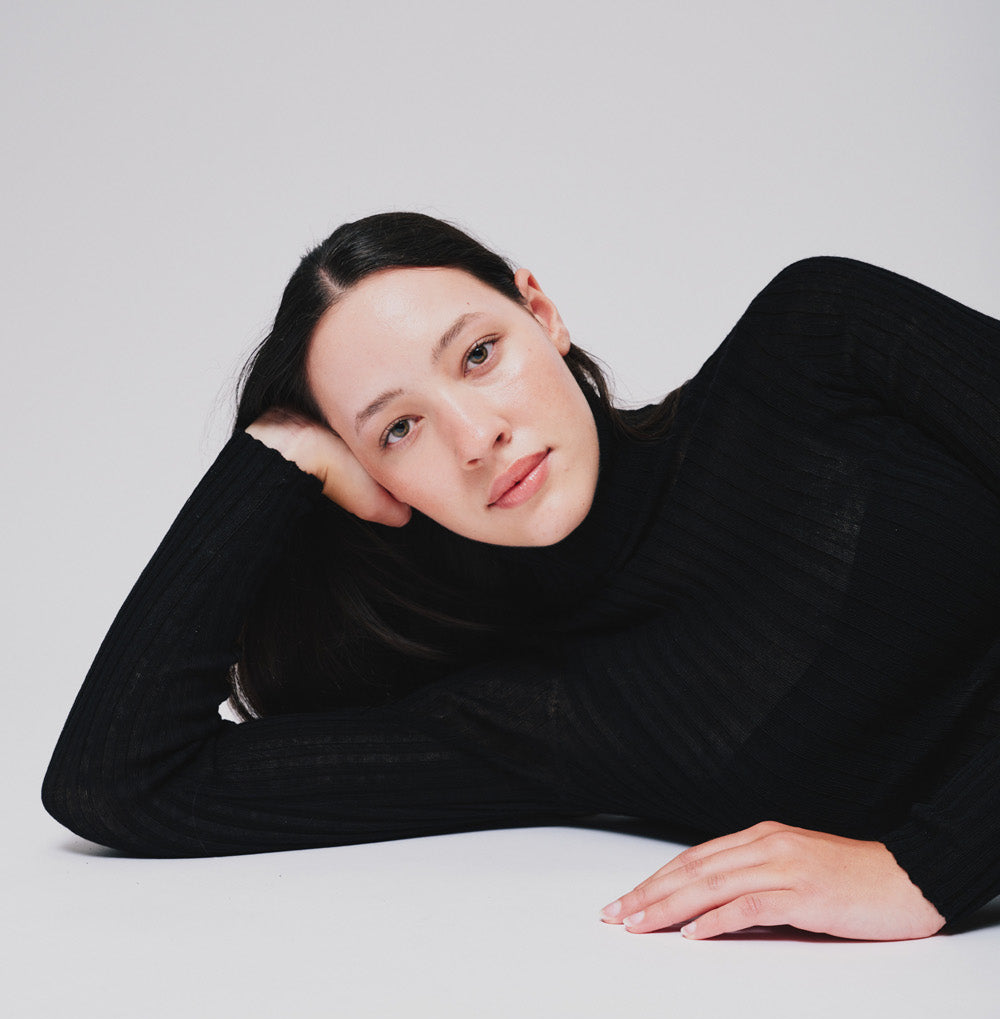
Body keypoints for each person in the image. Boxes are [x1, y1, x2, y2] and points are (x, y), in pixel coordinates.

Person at [42, 212, 1000, 942]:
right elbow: (119, 782)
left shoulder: (817, 343)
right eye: (399, 429)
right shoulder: (534, 716)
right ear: (375, 479)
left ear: (541, 312)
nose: (476, 436)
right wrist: (272, 457)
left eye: (479, 354)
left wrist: (927, 865)